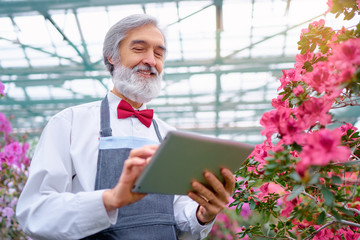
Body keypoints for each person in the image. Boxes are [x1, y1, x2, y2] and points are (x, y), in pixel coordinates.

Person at [16, 14, 235, 240]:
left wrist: (202, 214)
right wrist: (109, 200)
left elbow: (178, 213)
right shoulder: (69, 124)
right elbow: (35, 212)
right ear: (111, 56)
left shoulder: (171, 136)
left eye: (159, 54)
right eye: (139, 49)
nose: (151, 60)